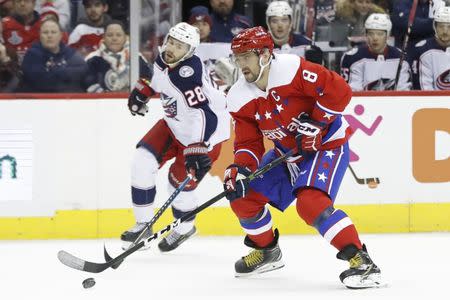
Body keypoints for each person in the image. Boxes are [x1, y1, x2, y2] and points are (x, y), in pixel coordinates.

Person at [223, 26, 382, 289]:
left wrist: (317, 124)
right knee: (243, 198)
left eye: (246, 57)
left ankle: (362, 262)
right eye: (237, 58)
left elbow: (339, 90)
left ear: (264, 55)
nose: (241, 65)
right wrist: (240, 169)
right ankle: (267, 252)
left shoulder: (292, 69)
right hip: (287, 156)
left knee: (310, 204)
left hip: (326, 146)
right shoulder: (239, 96)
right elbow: (249, 143)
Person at [122, 22, 230, 252]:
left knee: (177, 188)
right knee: (141, 162)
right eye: (171, 41)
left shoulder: (187, 77)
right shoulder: (165, 57)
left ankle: (184, 228)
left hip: (201, 138)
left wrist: (199, 147)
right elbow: (158, 78)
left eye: (179, 46)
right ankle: (143, 225)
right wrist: (144, 91)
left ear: (189, 52)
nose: (171, 48)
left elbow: (205, 115)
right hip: (173, 125)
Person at [340, 13, 411, 90]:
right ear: (366, 35)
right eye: (371, 34)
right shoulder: (352, 57)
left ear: (388, 35)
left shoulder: (400, 57)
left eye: (380, 34)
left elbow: (404, 92)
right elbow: (351, 92)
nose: (375, 38)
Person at [20, 18, 87, 92]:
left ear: (61, 35)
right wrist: (66, 74)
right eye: (45, 32)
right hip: (39, 100)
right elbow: (42, 82)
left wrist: (58, 71)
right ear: (39, 35)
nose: (49, 36)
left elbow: (84, 71)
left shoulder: (70, 53)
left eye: (53, 32)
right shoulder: (32, 55)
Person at [84, 20, 146, 92]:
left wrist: (134, 92)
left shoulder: (136, 57)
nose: (114, 38)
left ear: (125, 37)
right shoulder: (93, 58)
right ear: (103, 37)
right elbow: (88, 83)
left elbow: (147, 80)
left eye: (118, 35)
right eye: (110, 35)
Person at [409, 6, 450, 90]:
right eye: (441, 26)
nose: (445, 31)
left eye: (449, 27)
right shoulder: (422, 50)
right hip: (433, 102)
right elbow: (425, 92)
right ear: (434, 26)